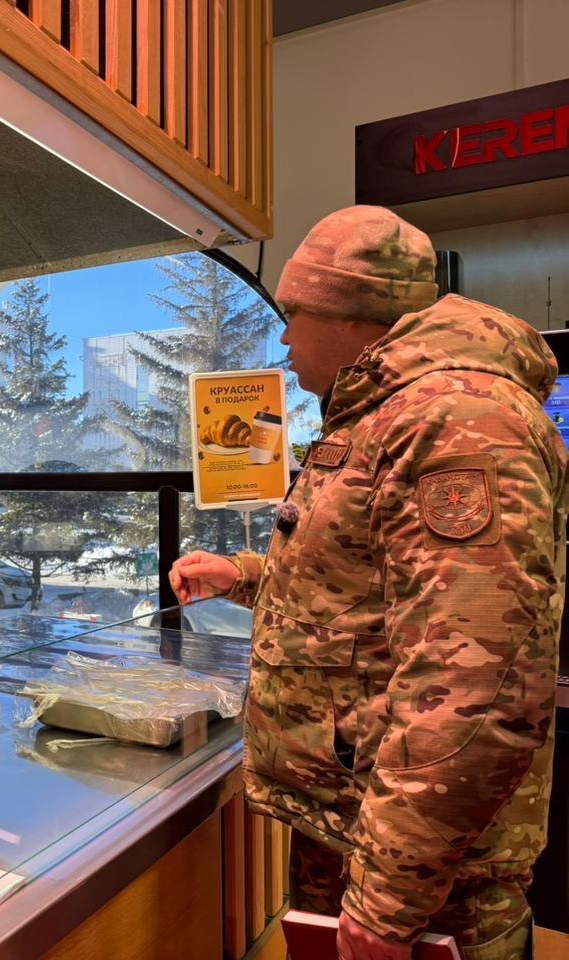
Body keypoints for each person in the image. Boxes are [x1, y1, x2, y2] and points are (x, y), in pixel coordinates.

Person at [169, 206, 566, 960]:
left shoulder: (455, 421)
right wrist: (245, 574)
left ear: (356, 316)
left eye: (294, 314)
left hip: (427, 878)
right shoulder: (381, 415)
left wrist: (389, 900)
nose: (283, 337)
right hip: (362, 835)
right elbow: (365, 587)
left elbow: (473, 686)